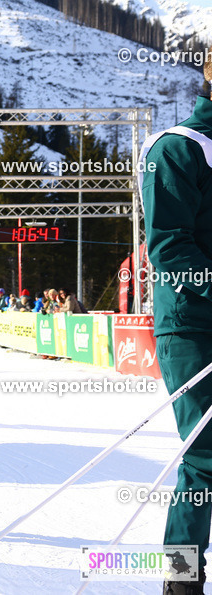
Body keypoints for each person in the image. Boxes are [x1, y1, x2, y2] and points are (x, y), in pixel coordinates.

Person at [140, 66, 212, 594]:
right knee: (208, 454)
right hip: (194, 327)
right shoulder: (178, 147)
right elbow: (168, 247)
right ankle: (181, 579)